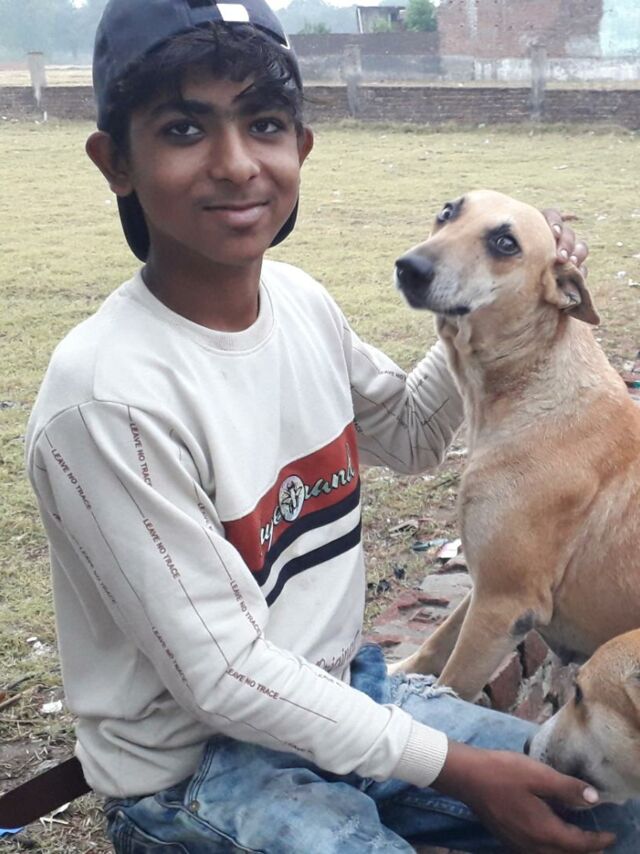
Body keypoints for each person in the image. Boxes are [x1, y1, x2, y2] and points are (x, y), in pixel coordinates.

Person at [25, 0, 639, 851]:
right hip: (199, 772)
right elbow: (226, 678)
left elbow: (410, 436)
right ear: (115, 161)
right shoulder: (106, 400)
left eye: (264, 124)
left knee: (614, 815)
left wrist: (494, 303)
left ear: (301, 147)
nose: (237, 164)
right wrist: (455, 767)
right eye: (183, 129)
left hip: (348, 696)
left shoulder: (299, 304)